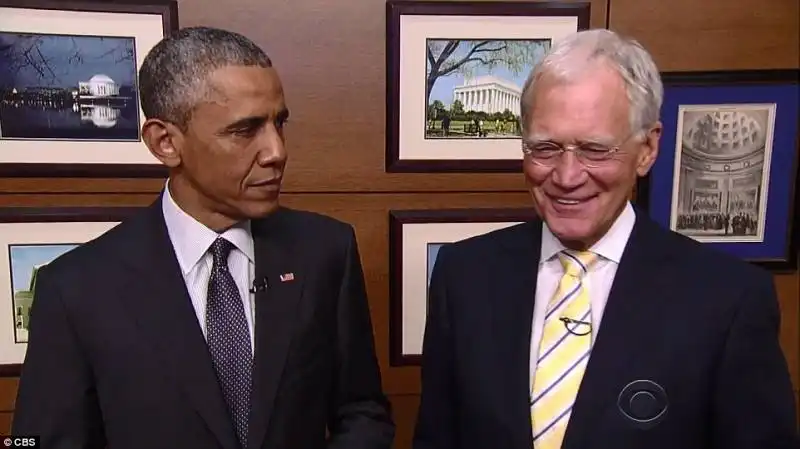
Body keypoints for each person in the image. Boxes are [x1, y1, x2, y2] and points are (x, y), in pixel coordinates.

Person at [413, 29, 798, 449]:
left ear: (648, 149)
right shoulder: (464, 275)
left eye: (595, 150)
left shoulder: (729, 301)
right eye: (545, 148)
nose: (566, 176)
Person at [12, 26, 394, 449]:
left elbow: (362, 413)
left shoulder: (325, 252)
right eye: (245, 130)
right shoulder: (76, 290)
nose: (277, 151)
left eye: (279, 123)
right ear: (165, 143)